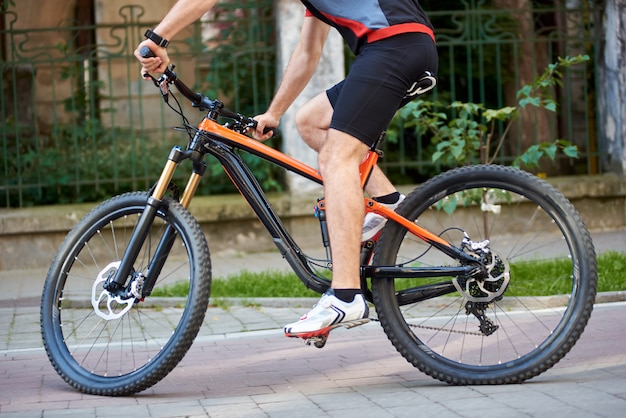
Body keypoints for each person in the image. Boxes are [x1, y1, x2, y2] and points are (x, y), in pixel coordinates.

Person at [135, 0, 438, 340]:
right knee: (309, 122)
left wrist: (156, 38)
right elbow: (308, 53)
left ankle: (345, 296)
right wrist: (274, 112)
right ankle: (388, 202)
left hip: (392, 45)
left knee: (337, 157)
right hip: (403, 46)